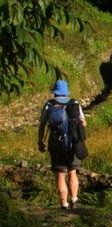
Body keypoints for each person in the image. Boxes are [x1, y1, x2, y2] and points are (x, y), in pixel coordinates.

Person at [38, 79, 87, 211]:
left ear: (55, 91)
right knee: (72, 172)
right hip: (73, 143)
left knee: (60, 174)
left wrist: (40, 141)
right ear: (66, 91)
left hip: (56, 143)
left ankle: (64, 204)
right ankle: (74, 199)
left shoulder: (49, 104)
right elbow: (83, 123)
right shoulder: (75, 103)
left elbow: (42, 125)